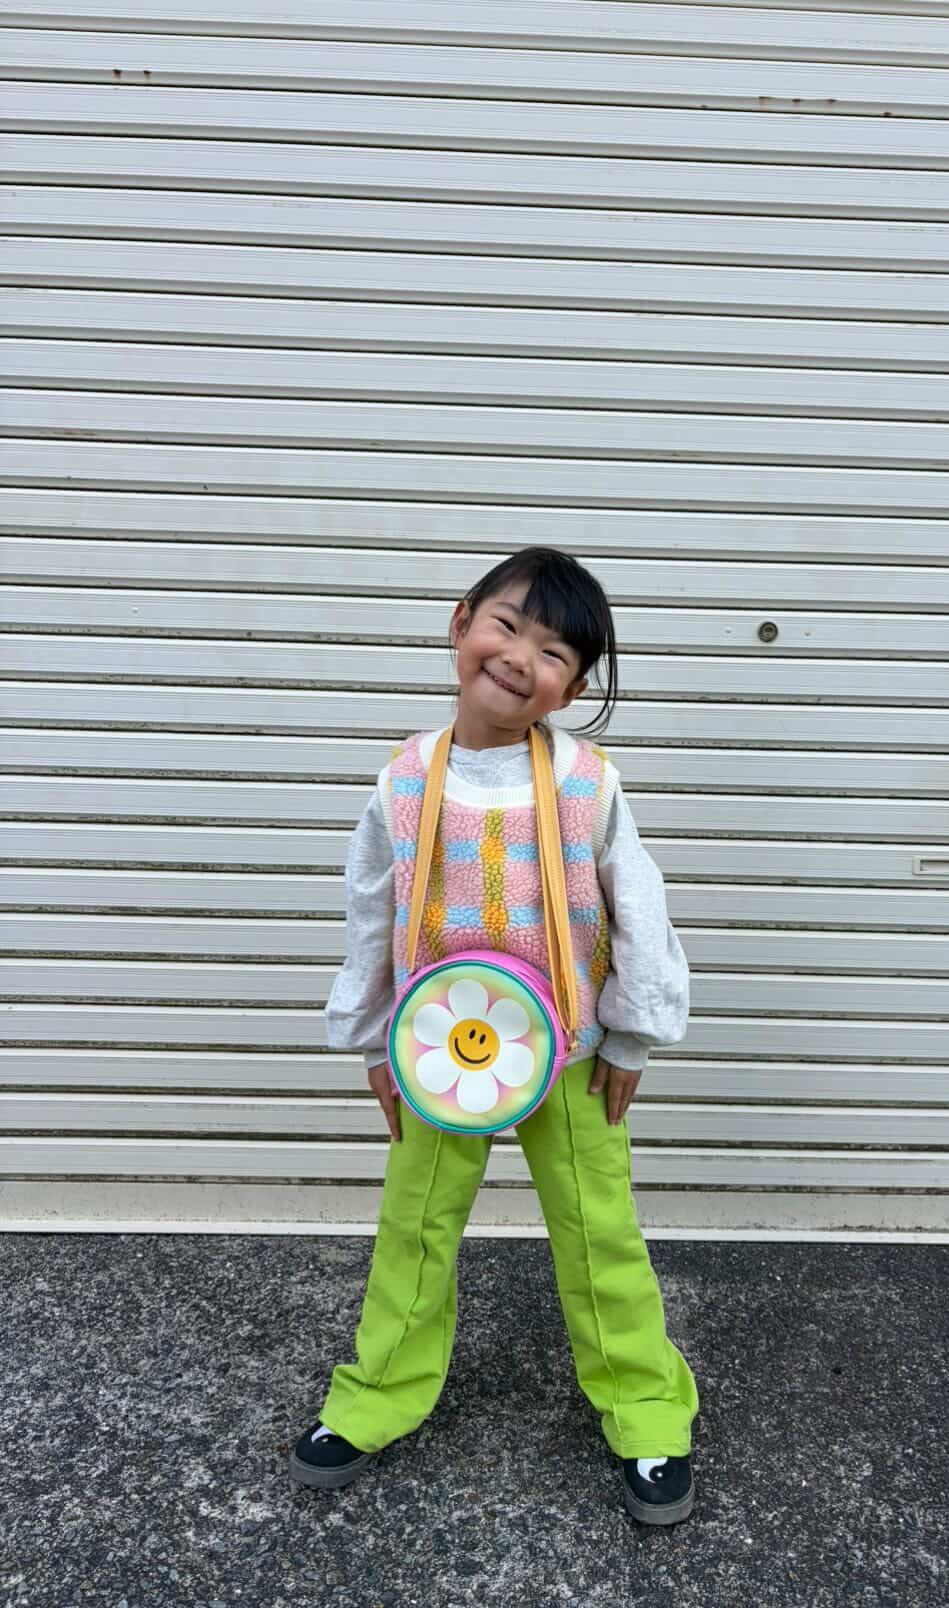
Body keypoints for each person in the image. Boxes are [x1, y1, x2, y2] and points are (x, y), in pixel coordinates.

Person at [289, 545, 698, 1524]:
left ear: (574, 689)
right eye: (507, 626)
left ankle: (645, 1409)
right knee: (415, 1229)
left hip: (570, 1054)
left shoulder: (588, 785)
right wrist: (375, 1040)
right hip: (438, 1057)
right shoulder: (402, 784)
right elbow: (373, 911)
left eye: (554, 653)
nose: (520, 658)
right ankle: (376, 1394)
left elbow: (638, 904)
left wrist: (632, 1035)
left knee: (599, 1232)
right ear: (461, 622)